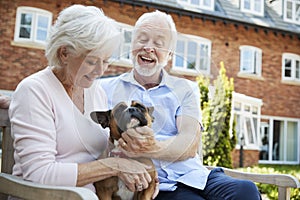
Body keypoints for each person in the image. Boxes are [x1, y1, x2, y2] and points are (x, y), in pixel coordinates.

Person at [100, 10, 262, 200]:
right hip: (152, 184)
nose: (148, 48)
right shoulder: (104, 88)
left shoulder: (186, 89)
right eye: (142, 40)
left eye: (158, 44)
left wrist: (149, 147)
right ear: (131, 44)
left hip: (195, 175)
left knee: (246, 191)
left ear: (169, 55)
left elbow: (189, 143)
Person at [8, 4, 155, 196]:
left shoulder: (95, 90)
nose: (100, 71)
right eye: (92, 61)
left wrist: (142, 173)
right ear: (64, 54)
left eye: (106, 61)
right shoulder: (34, 91)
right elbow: (39, 174)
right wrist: (115, 166)